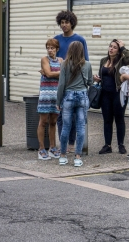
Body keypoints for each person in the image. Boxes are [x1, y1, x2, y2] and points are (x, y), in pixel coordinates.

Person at [53, 10, 89, 155]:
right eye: (62, 22)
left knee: (74, 117)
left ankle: (72, 144)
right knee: (60, 116)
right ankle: (63, 144)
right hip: (59, 80)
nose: (64, 25)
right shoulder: (56, 39)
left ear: (72, 23)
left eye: (66, 22)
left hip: (75, 82)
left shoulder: (80, 40)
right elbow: (51, 56)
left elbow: (85, 61)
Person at [93, 39, 129, 155]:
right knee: (107, 120)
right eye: (110, 46)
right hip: (105, 94)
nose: (111, 49)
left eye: (115, 47)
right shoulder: (103, 61)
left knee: (119, 119)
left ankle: (121, 144)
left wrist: (123, 48)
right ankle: (107, 145)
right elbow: (102, 75)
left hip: (118, 93)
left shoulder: (121, 60)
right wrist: (97, 78)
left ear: (118, 50)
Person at [56, 41, 93, 167]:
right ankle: (77, 157)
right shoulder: (87, 64)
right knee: (81, 127)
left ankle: (62, 156)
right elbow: (90, 82)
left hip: (68, 96)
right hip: (82, 96)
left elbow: (61, 84)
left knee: (66, 126)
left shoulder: (65, 64)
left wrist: (58, 101)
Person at [36, 38, 62, 160]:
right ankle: (41, 149)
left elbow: (53, 74)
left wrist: (50, 73)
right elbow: (49, 73)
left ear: (57, 49)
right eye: (48, 48)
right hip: (46, 94)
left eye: (52, 48)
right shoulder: (44, 59)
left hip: (56, 95)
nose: (50, 50)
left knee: (53, 122)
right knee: (43, 122)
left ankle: (52, 147)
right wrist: (56, 73)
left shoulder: (61, 60)